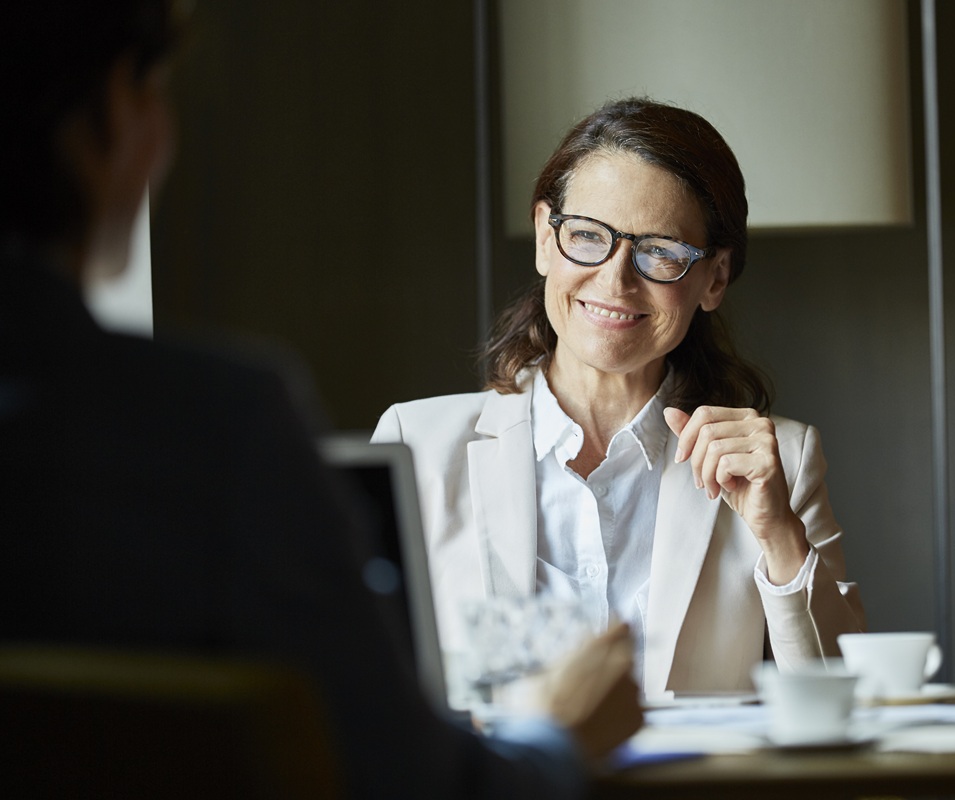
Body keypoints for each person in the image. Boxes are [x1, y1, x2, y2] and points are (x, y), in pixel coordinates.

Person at [0, 3, 641, 798]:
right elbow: (407, 776)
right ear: (99, 125)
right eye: (153, 91)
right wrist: (557, 738)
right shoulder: (216, 429)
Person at [372, 98, 867, 698]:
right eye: (587, 236)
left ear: (713, 277)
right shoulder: (416, 444)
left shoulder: (780, 459)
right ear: (544, 239)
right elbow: (360, 683)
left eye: (660, 251)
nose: (615, 279)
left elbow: (846, 702)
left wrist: (779, 534)